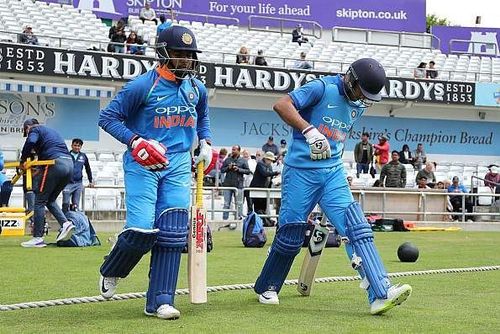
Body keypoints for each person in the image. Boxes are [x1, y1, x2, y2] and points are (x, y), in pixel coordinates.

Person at [253, 58, 412, 315]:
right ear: (351, 80)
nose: (364, 98)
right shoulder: (321, 88)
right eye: (362, 91)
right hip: (300, 172)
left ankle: (381, 293)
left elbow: (337, 137)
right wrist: (309, 131)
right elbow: (282, 104)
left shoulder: (357, 104)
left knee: (356, 226)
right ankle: (268, 286)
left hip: (333, 173)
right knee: (291, 234)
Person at [97, 26, 214, 320]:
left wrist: (207, 142)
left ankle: (160, 301)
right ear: (163, 54)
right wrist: (135, 140)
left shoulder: (197, 89)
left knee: (173, 232)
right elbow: (107, 117)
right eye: (179, 54)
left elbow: (203, 118)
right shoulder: (141, 86)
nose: (186, 60)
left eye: (190, 55)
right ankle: (112, 269)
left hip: (178, 165)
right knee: (141, 230)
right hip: (143, 162)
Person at [19, 119, 75, 248]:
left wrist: (23, 160)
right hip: (69, 165)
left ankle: (38, 238)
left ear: (28, 127)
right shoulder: (51, 132)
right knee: (50, 200)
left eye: (26, 132)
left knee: (39, 201)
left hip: (55, 164)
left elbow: (31, 141)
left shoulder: (35, 129)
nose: (28, 134)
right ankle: (66, 224)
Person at [62, 138, 94, 213]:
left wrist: (90, 180)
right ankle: (64, 221)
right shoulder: (66, 155)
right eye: (75, 145)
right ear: (72, 146)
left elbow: (88, 168)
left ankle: (74, 222)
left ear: (81, 147)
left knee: (75, 205)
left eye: (78, 146)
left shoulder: (83, 156)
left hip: (78, 184)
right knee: (65, 204)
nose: (77, 147)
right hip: (67, 183)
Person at [221, 145, 250, 220]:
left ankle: (238, 219)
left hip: (238, 185)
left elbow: (247, 171)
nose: (233, 151)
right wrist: (228, 168)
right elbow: (222, 170)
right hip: (228, 184)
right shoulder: (227, 160)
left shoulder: (243, 160)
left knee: (239, 203)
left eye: (234, 150)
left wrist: (238, 169)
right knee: (226, 203)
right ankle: (225, 219)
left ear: (238, 151)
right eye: (232, 149)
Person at [250, 151, 280, 220]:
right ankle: (258, 221)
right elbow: (265, 173)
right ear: (266, 159)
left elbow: (270, 175)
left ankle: (264, 221)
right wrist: (275, 173)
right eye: (270, 160)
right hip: (257, 188)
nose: (271, 162)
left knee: (264, 207)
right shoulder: (260, 164)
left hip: (265, 189)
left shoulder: (269, 165)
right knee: (257, 207)